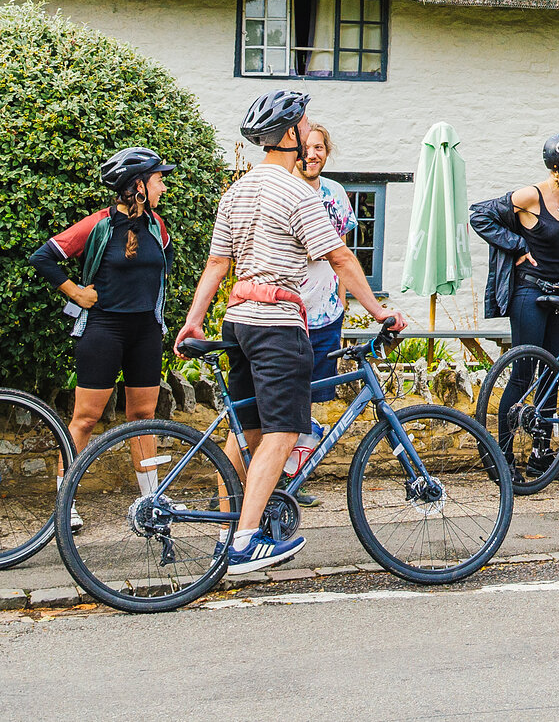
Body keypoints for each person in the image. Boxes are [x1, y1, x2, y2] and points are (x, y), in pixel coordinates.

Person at [174, 90, 405, 572]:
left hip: (238, 320)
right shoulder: (300, 193)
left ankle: (229, 530)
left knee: (248, 432)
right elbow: (340, 257)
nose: (308, 135)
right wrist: (379, 312)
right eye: (303, 127)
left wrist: (194, 320)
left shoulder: (236, 191)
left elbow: (217, 264)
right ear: (289, 136)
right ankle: (243, 544)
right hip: (277, 324)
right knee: (282, 434)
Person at [28, 146, 178, 457]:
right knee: (85, 419)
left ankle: (150, 489)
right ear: (139, 185)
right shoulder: (98, 225)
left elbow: (166, 259)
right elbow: (42, 258)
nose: (163, 187)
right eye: (158, 180)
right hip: (104, 330)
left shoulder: (157, 225)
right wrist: (76, 292)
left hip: (146, 332)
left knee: (143, 418)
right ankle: (66, 489)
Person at [470, 133, 559, 485]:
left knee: (553, 375)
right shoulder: (530, 196)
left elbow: (555, 250)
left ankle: (541, 456)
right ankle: (502, 458)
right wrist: (516, 245)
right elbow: (479, 216)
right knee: (523, 374)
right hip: (530, 295)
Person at [285, 123, 354, 502]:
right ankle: (255, 478)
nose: (312, 155)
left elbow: (341, 250)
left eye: (319, 148)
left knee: (310, 399)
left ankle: (290, 481)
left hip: (326, 314)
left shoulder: (335, 193)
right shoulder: (285, 190)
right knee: (281, 399)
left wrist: (342, 303)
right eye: (306, 148)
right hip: (287, 314)